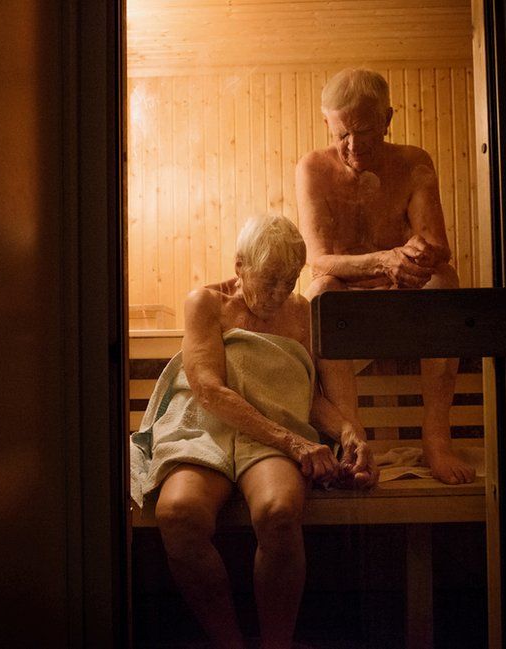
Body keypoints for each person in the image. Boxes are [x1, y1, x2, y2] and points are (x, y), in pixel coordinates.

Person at [129, 215, 376, 649]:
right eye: (269, 280)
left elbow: (307, 398)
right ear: (240, 265)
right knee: (178, 513)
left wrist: (349, 432)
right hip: (205, 427)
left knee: (278, 512)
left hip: (276, 431)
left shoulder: (303, 315)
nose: (280, 293)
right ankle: (230, 643)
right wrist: (293, 442)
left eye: (290, 280)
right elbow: (207, 389)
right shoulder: (206, 303)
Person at [296, 68, 476, 485]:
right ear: (328, 123)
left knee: (446, 282)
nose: (354, 146)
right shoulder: (313, 169)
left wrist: (416, 259)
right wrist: (383, 261)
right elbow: (319, 261)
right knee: (319, 293)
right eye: (343, 134)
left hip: (403, 288)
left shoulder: (413, 162)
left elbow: (436, 245)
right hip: (346, 289)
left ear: (388, 119)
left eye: (366, 131)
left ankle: (436, 440)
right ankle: (355, 443)